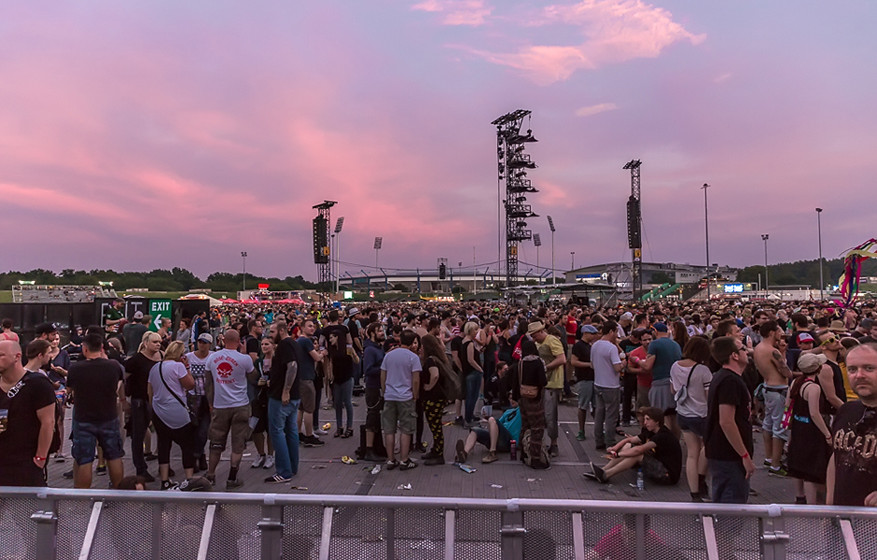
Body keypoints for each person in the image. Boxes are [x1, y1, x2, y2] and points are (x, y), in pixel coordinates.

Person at [66, 332, 126, 489]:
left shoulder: (76, 368)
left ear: (85, 349)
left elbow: (69, 390)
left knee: (84, 459)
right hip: (109, 416)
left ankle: (82, 495)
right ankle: (118, 491)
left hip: (83, 418)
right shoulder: (113, 366)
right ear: (101, 348)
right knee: (114, 455)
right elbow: (118, 385)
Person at [704, 336, 755, 504]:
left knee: (724, 504)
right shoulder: (730, 381)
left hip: (723, 453)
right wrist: (744, 455)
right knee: (732, 507)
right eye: (743, 349)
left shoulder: (724, 377)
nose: (747, 352)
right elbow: (726, 421)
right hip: (729, 456)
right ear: (734, 355)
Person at [827, 343, 877, 506]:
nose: (859, 375)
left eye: (869, 368)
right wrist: (830, 501)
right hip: (843, 515)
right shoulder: (846, 410)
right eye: (852, 369)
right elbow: (837, 456)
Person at [0, 340, 55, 486]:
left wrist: (40, 457)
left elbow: (48, 422)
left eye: (1, 355)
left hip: (26, 462)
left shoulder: (37, 383)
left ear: (17, 356)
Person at [205, 329, 254, 489]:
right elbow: (253, 377)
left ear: (223, 340)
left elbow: (208, 383)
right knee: (238, 443)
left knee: (216, 442)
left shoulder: (212, 358)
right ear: (239, 341)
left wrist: (211, 403)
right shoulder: (244, 359)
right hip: (240, 405)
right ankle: (232, 477)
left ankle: (211, 475)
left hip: (220, 405)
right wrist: (245, 354)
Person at [587, 407, 682, 485]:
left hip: (668, 474)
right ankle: (603, 470)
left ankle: (606, 475)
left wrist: (619, 454)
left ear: (657, 421)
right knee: (630, 446)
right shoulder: (650, 431)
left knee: (637, 455)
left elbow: (639, 450)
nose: (645, 423)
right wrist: (615, 448)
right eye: (645, 419)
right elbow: (631, 440)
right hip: (658, 463)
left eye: (648, 419)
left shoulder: (662, 435)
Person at [148, 341, 196, 489]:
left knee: (163, 444)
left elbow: (150, 391)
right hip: (177, 410)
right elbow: (190, 385)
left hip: (158, 410)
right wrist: (187, 367)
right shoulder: (178, 367)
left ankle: (165, 480)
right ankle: (189, 479)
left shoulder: (155, 367)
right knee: (187, 445)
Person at [669, 336, 713, 501]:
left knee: (691, 453)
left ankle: (694, 492)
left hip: (683, 413)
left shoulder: (675, 366)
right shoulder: (703, 370)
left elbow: (673, 390)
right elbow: (709, 396)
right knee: (708, 446)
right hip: (701, 414)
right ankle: (701, 479)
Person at [786, 353, 832, 504]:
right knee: (810, 470)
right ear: (818, 369)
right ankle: (811, 505)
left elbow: (787, 405)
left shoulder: (796, 383)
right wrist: (827, 433)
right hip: (811, 432)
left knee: (798, 465)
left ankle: (799, 496)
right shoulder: (813, 388)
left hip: (798, 427)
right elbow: (814, 413)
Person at [752, 320, 793, 476]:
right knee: (779, 426)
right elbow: (786, 371)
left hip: (768, 387)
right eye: (778, 331)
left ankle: (769, 458)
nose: (781, 333)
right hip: (778, 389)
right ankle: (776, 465)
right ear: (771, 333)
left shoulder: (758, 348)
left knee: (768, 423)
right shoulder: (771, 351)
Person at [264, 321, 302, 484]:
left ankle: (284, 471)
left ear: (281, 331)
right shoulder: (293, 344)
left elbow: (292, 366)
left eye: (272, 332)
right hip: (293, 396)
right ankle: (292, 467)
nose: (270, 335)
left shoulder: (285, 345)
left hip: (281, 397)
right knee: (291, 430)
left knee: (277, 432)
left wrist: (285, 390)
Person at [380, 329, 421, 471]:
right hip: (405, 396)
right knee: (406, 429)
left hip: (390, 395)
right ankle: (404, 460)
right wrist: (415, 395)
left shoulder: (389, 355)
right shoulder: (413, 358)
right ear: (412, 343)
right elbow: (415, 380)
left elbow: (383, 375)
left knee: (389, 429)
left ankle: (391, 459)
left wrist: (385, 391)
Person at [529, 321, 566, 457]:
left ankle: (554, 443)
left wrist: (545, 368)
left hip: (552, 382)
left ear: (541, 332)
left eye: (535, 336)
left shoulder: (552, 340)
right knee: (540, 415)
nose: (534, 339)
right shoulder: (537, 343)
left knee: (550, 415)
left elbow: (562, 359)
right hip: (541, 383)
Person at [513, 339, 549, 468]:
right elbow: (543, 381)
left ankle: (524, 453)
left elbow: (516, 381)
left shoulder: (521, 363)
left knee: (525, 426)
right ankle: (535, 458)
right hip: (535, 399)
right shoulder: (538, 362)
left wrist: (515, 397)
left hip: (523, 398)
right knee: (537, 429)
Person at [591, 321, 624, 450]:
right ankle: (610, 442)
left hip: (598, 383)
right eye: (616, 332)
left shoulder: (595, 345)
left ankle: (598, 440)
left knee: (599, 413)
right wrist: (624, 363)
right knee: (611, 415)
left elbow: (592, 365)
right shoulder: (611, 348)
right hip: (611, 385)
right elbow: (617, 368)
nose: (617, 335)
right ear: (611, 332)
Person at [420, 334, 451, 465]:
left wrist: (429, 386)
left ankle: (438, 454)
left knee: (435, 426)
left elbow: (435, 375)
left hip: (433, 398)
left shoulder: (430, 361)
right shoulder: (437, 359)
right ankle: (435, 450)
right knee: (435, 425)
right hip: (437, 397)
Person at [185, 333, 214, 472]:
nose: (202, 345)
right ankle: (199, 456)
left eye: (205, 342)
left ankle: (197, 455)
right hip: (193, 397)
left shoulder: (213, 357)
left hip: (208, 397)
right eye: (200, 342)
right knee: (193, 429)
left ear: (210, 344)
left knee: (204, 430)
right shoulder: (188, 357)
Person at [455, 405, 522, 464]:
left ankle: (492, 453)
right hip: (497, 438)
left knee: (492, 419)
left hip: (510, 441)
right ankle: (464, 453)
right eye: (510, 398)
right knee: (475, 430)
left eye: (514, 398)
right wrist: (487, 421)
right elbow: (497, 423)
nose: (512, 400)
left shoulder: (521, 411)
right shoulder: (508, 411)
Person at [641, 322, 682, 415]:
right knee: (672, 416)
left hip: (660, 383)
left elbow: (647, 366)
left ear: (655, 332)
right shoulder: (675, 344)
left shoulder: (654, 344)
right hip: (674, 383)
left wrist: (637, 360)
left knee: (659, 414)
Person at [297, 319, 326, 447]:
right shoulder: (306, 341)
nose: (312, 328)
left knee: (301, 408)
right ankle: (309, 436)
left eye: (313, 326)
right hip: (306, 378)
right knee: (309, 409)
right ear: (302, 327)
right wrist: (322, 353)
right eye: (309, 326)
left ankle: (298, 433)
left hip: (300, 377)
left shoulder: (298, 341)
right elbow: (316, 357)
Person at [570, 325, 598, 440]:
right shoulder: (578, 346)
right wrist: (589, 365)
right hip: (584, 379)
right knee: (583, 406)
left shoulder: (591, 346)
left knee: (596, 406)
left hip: (593, 378)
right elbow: (573, 361)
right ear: (585, 333)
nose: (594, 336)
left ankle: (598, 429)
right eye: (592, 334)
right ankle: (581, 430)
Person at [327, 330, 356, 438]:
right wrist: (330, 376)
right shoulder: (332, 350)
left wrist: (353, 354)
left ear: (337, 337)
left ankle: (349, 427)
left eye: (332, 337)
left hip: (347, 377)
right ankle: (339, 427)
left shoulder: (347, 348)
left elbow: (357, 361)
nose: (330, 340)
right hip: (337, 379)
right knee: (337, 403)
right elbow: (330, 363)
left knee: (347, 402)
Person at [460, 321, 484, 427]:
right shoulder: (469, 343)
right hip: (473, 372)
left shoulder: (464, 341)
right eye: (475, 330)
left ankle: (469, 416)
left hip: (468, 372)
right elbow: (470, 360)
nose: (476, 332)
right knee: (472, 396)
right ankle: (468, 419)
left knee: (470, 396)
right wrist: (480, 369)